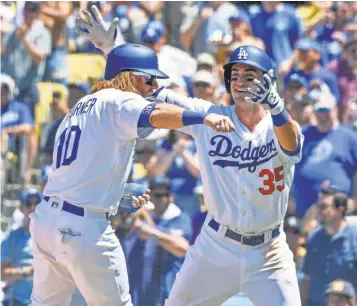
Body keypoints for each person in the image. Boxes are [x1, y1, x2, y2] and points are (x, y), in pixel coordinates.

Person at [77, 8, 304, 305]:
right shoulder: (208, 117)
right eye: (234, 75)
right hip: (216, 248)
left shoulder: (281, 124)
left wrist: (276, 107)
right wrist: (112, 47)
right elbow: (154, 91)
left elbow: (292, 147)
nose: (240, 81)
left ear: (269, 83)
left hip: (269, 253)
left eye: (251, 75)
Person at [28, 38, 234, 306]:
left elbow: (75, 169)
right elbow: (156, 113)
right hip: (82, 226)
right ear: (132, 77)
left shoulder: (82, 106)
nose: (153, 87)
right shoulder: (119, 99)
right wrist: (202, 117)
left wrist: (115, 193)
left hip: (47, 219)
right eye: (149, 80)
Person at [119, 177, 192, 306]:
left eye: (165, 194)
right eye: (156, 195)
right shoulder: (139, 218)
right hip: (137, 296)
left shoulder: (180, 219)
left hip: (165, 296)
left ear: (172, 197)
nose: (161, 199)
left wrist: (152, 232)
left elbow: (182, 248)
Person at [292, 87, 357, 217]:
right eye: (319, 111)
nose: (322, 115)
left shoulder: (350, 138)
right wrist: (289, 197)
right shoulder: (302, 135)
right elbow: (287, 166)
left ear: (336, 110)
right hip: (302, 214)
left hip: (338, 216)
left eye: (326, 110)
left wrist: (354, 201)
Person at [300, 185, 357, 306]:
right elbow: (307, 279)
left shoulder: (355, 238)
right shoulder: (313, 238)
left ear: (340, 209)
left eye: (324, 207)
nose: (319, 211)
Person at [1, 189, 40, 306]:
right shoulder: (12, 236)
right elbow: (2, 271)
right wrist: (27, 272)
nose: (33, 207)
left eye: (37, 204)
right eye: (29, 204)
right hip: (15, 301)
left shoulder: (49, 236)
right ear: (22, 208)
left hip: (42, 301)